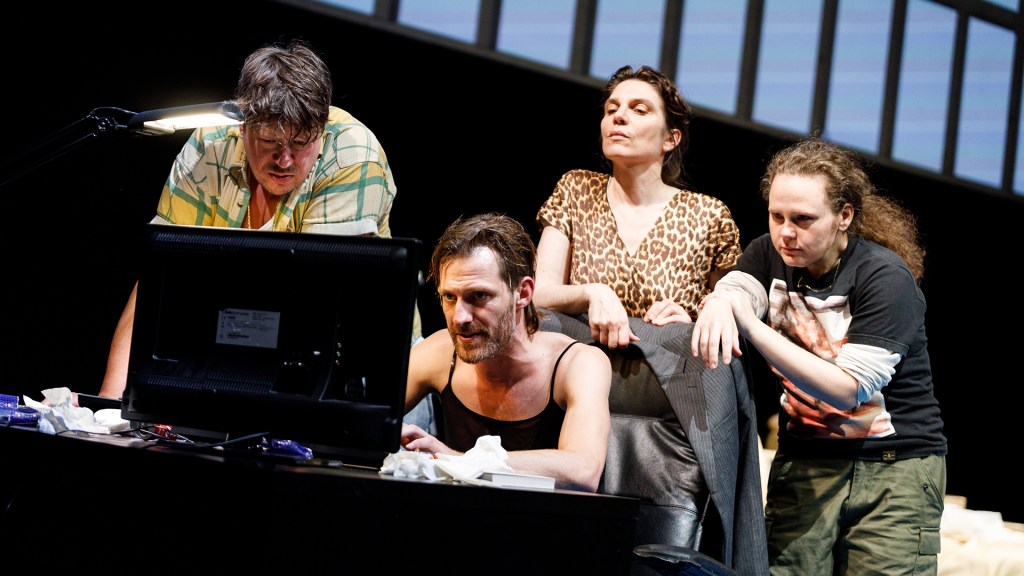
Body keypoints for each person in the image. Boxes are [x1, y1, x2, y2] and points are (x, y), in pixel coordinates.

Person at [96, 39, 420, 400]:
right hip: (248, 357)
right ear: (242, 126)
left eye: (300, 144)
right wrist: (110, 406)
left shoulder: (353, 155)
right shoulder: (212, 144)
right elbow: (157, 279)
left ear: (322, 130)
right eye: (268, 141)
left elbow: (322, 304)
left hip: (369, 377)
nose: (284, 160)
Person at [691, 137, 947, 575]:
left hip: (893, 468)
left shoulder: (884, 277)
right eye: (777, 216)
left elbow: (847, 390)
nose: (786, 232)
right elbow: (739, 289)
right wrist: (718, 298)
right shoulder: (767, 254)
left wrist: (751, 327)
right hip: (807, 461)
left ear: (844, 215)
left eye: (803, 219)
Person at [400, 212, 612, 493]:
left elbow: (583, 470)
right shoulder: (441, 351)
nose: (459, 317)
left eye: (479, 296)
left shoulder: (578, 363)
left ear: (523, 293)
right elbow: (363, 417)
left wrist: (461, 461)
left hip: (546, 527)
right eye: (449, 297)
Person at [534, 64, 741, 349]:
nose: (619, 117)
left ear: (671, 138)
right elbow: (539, 295)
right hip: (579, 362)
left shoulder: (709, 216)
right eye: (611, 109)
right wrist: (593, 292)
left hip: (668, 377)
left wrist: (695, 318)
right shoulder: (576, 189)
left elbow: (733, 312)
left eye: (639, 110)